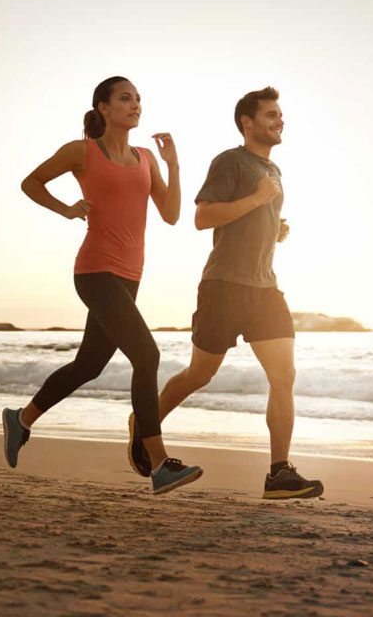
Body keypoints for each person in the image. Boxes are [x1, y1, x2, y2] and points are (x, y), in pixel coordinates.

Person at [2, 76, 203, 495]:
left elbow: (170, 214)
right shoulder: (83, 151)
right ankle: (160, 463)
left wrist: (174, 165)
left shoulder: (146, 157)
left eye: (138, 99)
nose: (135, 105)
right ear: (103, 108)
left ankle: (21, 419)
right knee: (147, 354)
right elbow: (31, 182)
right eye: (125, 98)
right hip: (95, 271)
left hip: (130, 276)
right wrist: (68, 209)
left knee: (89, 365)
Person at [126, 86, 325, 500]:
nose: (279, 120)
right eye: (271, 114)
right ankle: (144, 423)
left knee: (284, 376)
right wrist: (257, 200)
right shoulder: (230, 161)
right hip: (224, 287)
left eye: (280, 114)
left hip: (265, 288)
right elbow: (202, 217)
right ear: (247, 123)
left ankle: (278, 472)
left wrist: (275, 227)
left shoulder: (274, 171)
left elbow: (251, 217)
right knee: (201, 373)